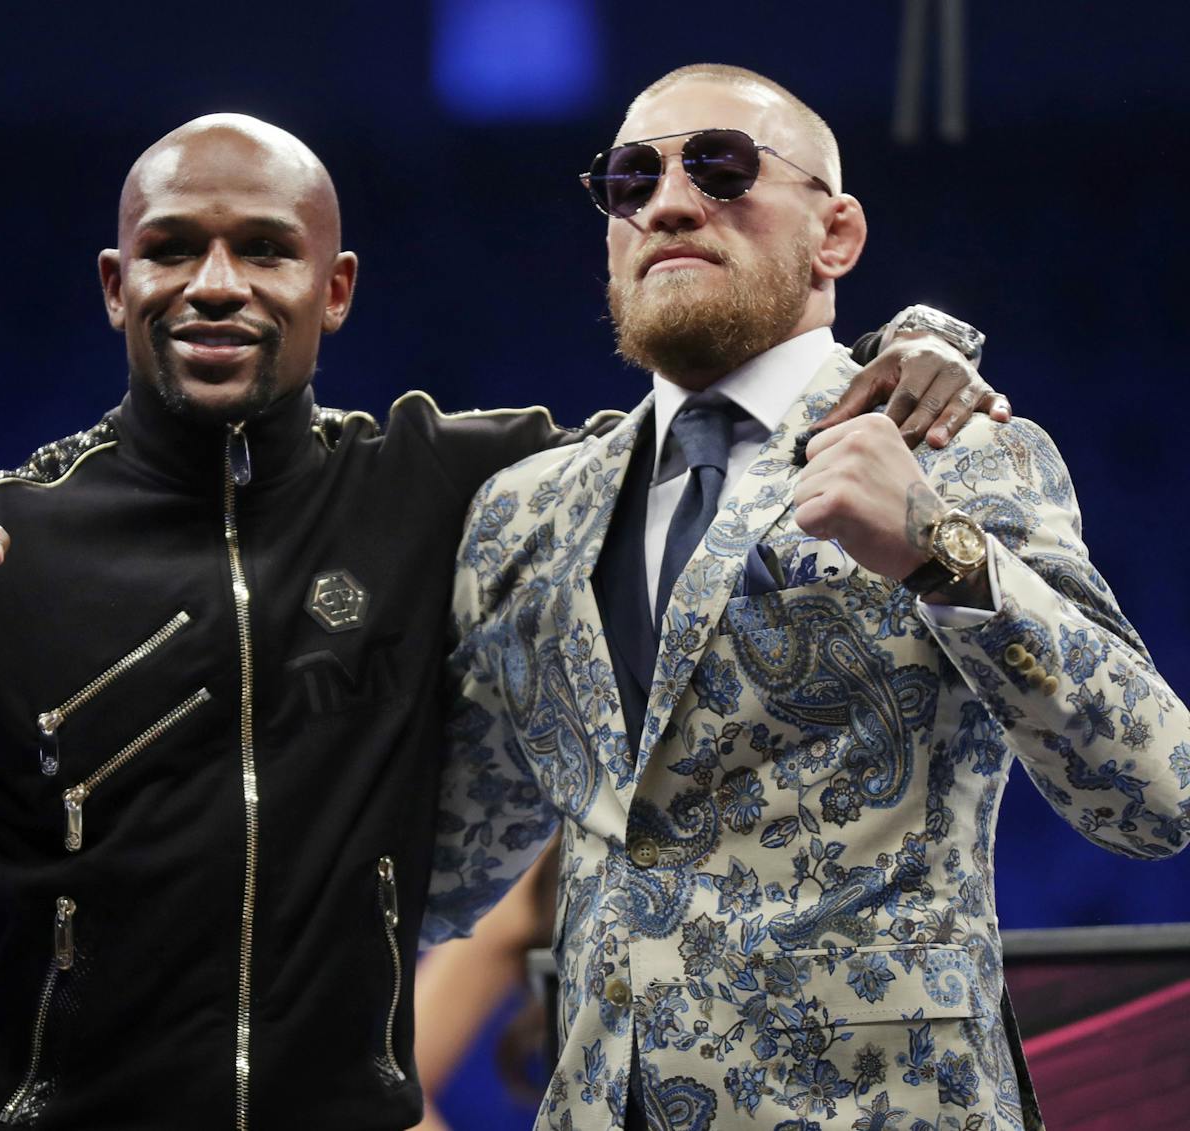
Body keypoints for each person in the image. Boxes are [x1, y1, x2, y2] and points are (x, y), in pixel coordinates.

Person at [0, 111, 998, 1129]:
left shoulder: (455, 491)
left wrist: (917, 342)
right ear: (114, 283)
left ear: (334, 287)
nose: (213, 285)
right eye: (171, 250)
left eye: (262, 249)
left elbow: (726, 433)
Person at [423, 64, 1190, 1131]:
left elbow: (1155, 795)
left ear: (835, 237)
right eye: (629, 180)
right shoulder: (526, 514)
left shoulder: (954, 450)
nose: (669, 201)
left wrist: (937, 552)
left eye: (721, 166)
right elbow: (440, 862)